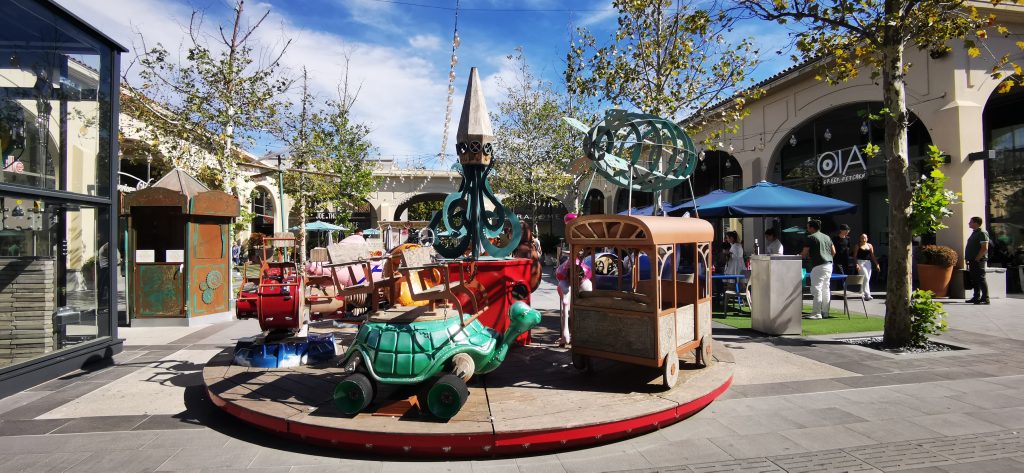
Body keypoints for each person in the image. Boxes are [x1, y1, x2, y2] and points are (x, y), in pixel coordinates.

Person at [802, 220, 836, 319]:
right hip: (829, 264)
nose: (807, 229)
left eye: (808, 227)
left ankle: (816, 313)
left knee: (816, 289)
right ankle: (825, 312)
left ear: (812, 228)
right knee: (826, 288)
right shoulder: (827, 237)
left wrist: (798, 256)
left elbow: (804, 253)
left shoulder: (811, 237)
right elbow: (834, 251)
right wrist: (827, 257)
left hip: (818, 265)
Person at [965, 216, 990, 304]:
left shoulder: (982, 233)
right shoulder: (975, 233)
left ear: (976, 223)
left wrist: (977, 258)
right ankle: (976, 297)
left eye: (971, 222)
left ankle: (985, 298)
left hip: (978, 260)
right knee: (975, 279)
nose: (969, 223)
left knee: (980, 278)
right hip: (972, 260)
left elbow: (984, 248)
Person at [855, 233, 880, 300]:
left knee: (867, 279)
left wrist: (877, 264)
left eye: (865, 237)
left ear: (867, 239)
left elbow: (872, 256)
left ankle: (861, 291)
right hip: (860, 262)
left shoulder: (870, 245)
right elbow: (855, 256)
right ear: (860, 239)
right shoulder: (857, 245)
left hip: (868, 263)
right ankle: (867, 295)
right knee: (865, 277)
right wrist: (856, 264)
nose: (863, 239)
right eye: (862, 237)